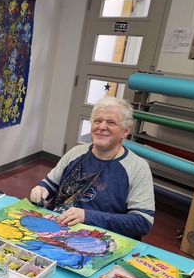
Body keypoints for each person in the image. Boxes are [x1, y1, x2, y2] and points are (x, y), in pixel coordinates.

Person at [30, 96, 154, 239]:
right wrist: (41, 190)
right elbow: (50, 184)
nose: (102, 127)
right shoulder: (76, 153)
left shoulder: (137, 168)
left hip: (96, 242)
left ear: (125, 131)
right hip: (54, 231)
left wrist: (87, 216)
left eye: (111, 122)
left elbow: (142, 222)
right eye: (97, 121)